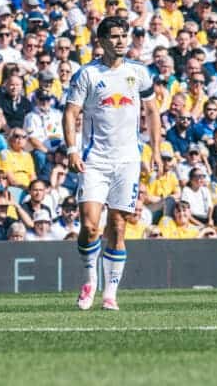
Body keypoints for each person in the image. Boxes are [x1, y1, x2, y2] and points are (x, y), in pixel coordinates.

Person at [63, 16, 161, 311]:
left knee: (118, 226)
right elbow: (71, 113)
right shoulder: (87, 74)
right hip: (95, 159)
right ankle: (89, 279)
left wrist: (155, 150)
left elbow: (152, 111)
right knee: (90, 225)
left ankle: (110, 294)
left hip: (128, 160)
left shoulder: (139, 72)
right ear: (102, 40)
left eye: (123, 36)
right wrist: (72, 149)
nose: (120, 41)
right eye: (115, 36)